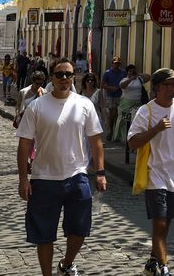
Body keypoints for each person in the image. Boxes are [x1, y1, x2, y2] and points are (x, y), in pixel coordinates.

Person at [16, 58, 106, 276]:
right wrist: (23, 179)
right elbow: (24, 144)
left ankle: (67, 262)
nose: (64, 78)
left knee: (80, 229)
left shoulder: (85, 104)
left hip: (77, 176)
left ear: (74, 76)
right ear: (51, 78)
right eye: (59, 74)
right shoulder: (37, 106)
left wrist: (101, 172)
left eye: (68, 74)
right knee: (44, 234)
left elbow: (95, 141)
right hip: (43, 178)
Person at [126, 68, 174, 276]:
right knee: (159, 221)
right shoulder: (146, 111)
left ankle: (152, 260)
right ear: (160, 87)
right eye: (173, 83)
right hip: (154, 174)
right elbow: (132, 143)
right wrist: (156, 129)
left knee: (166, 222)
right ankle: (163, 266)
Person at [115, 64, 146, 143]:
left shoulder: (139, 79)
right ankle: (123, 137)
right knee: (125, 120)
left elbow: (148, 77)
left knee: (135, 120)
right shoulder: (124, 80)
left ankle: (133, 136)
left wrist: (138, 74)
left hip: (137, 103)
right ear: (127, 72)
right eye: (130, 71)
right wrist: (131, 78)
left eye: (133, 71)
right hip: (126, 103)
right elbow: (122, 86)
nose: (131, 72)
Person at [102, 57, 126, 138]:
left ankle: (116, 132)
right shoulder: (107, 73)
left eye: (118, 63)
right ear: (112, 63)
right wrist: (111, 88)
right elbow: (102, 85)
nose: (116, 65)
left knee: (118, 114)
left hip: (121, 95)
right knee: (112, 114)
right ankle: (110, 130)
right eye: (115, 63)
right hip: (110, 95)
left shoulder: (123, 73)